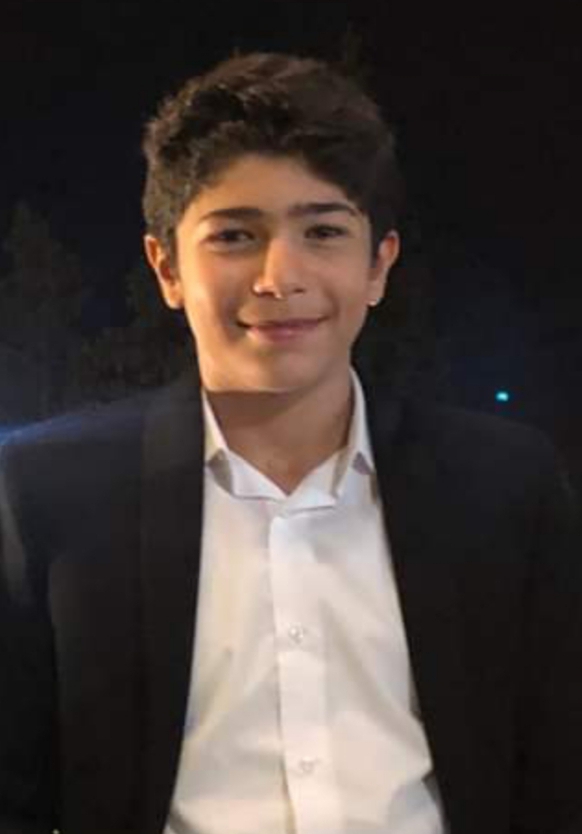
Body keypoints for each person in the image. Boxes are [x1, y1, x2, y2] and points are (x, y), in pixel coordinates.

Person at [1, 52, 581, 834]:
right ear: (166, 267)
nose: (281, 276)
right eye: (235, 235)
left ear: (379, 265)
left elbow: (554, 772)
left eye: (324, 231)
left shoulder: (503, 488)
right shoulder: (49, 496)